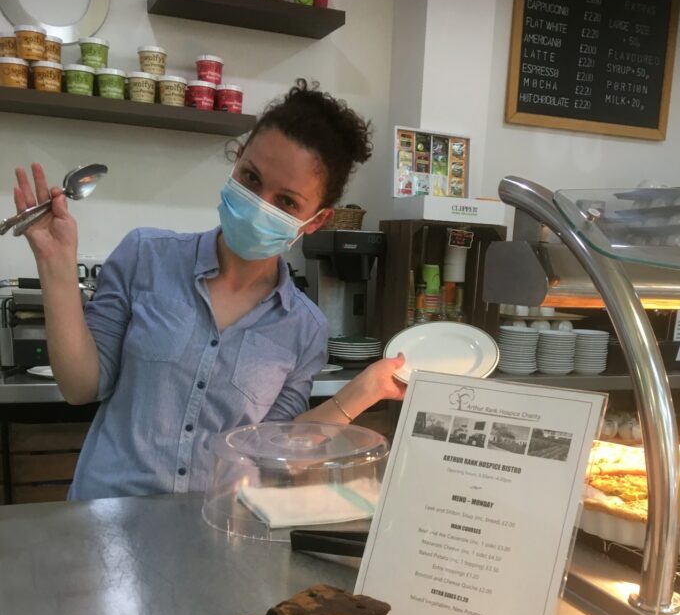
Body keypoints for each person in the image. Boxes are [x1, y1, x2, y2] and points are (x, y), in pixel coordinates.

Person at [12, 80, 405, 500]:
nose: (260, 203)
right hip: (108, 518)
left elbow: (272, 451)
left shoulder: (305, 329)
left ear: (316, 222)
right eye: (251, 177)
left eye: (287, 202)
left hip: (210, 531)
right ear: (236, 161)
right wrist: (56, 266)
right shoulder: (145, 256)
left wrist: (363, 392)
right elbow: (80, 387)